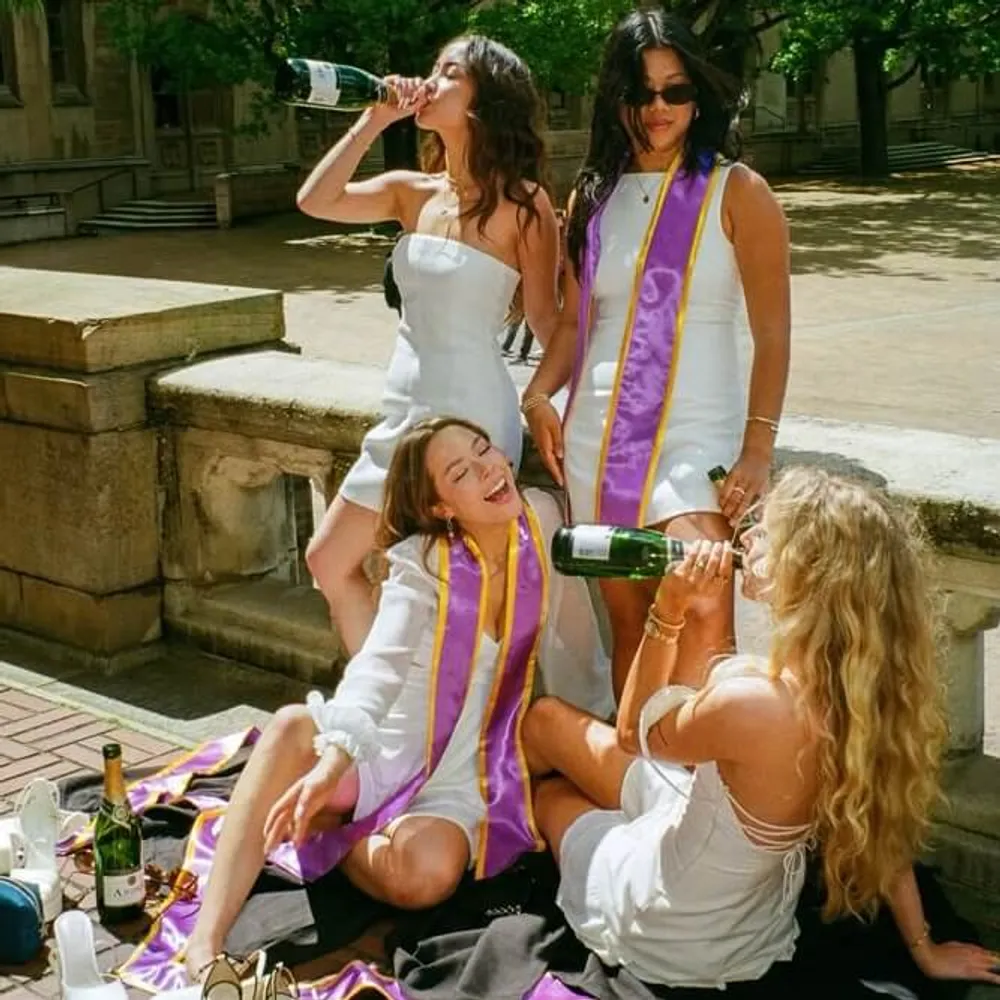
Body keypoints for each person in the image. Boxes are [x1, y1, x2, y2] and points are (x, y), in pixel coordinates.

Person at [522, 467, 1000, 989]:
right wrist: (925, 949)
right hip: (748, 918)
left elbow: (635, 735)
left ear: (808, 574)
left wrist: (668, 610)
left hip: (675, 921)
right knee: (547, 722)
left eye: (767, 533)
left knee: (552, 797)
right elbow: (886, 833)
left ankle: (491, 832)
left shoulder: (757, 704)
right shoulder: (861, 696)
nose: (745, 536)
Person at [185, 417, 613, 981]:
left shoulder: (541, 519)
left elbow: (577, 642)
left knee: (427, 878)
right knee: (291, 727)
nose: (489, 469)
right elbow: (377, 668)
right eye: (461, 472)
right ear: (440, 507)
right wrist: (335, 761)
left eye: (485, 450)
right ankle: (204, 943)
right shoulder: (423, 564)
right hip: (383, 751)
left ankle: (328, 835)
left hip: (467, 770)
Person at [521, 8, 791, 698]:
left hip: (697, 433)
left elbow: (774, 333)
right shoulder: (593, 198)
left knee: (701, 608)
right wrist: (538, 392)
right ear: (617, 99)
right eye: (641, 92)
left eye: (675, 90)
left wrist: (758, 449)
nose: (658, 107)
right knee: (632, 624)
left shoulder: (738, 191)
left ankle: (710, 762)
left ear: (698, 94)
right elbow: (575, 323)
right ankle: (641, 761)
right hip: (599, 433)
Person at [298, 36, 562, 656]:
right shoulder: (410, 191)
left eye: (449, 72)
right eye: (432, 70)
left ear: (484, 98)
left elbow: (550, 321)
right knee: (328, 561)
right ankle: (379, 708)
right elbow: (314, 200)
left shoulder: (525, 205)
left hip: (473, 420)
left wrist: (559, 402)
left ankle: (466, 710)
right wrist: (375, 118)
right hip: (403, 419)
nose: (428, 81)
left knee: (458, 592)